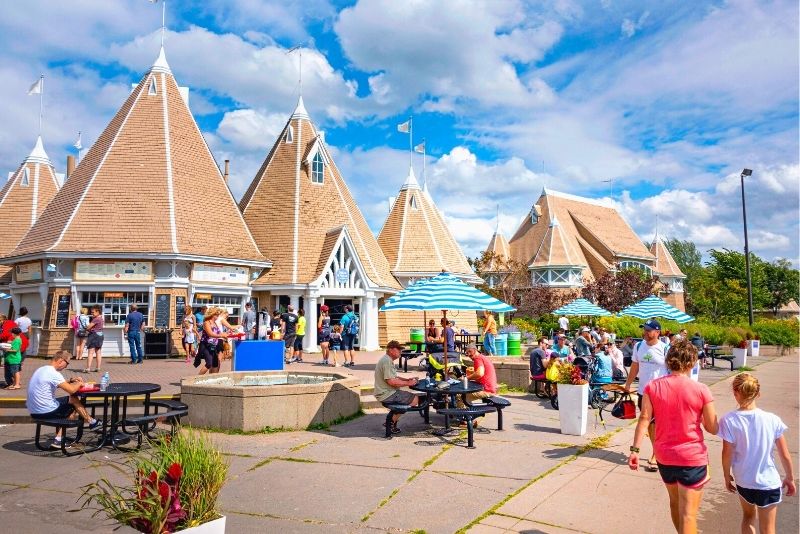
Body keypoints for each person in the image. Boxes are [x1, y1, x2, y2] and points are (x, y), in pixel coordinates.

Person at [628, 340, 718, 534]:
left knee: (675, 503)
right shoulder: (701, 390)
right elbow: (711, 427)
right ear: (692, 362)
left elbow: (644, 419)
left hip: (664, 456)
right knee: (688, 514)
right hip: (691, 457)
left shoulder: (652, 387)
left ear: (668, 361)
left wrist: (635, 450)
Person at [719, 373, 796, 534]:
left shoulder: (728, 420)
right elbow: (784, 454)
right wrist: (789, 477)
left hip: (744, 480)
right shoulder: (772, 419)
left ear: (735, 392)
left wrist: (727, 475)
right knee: (768, 528)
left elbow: (726, 453)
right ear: (758, 394)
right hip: (768, 482)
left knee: (748, 517)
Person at [28, 351, 101, 449]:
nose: (66, 366)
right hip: (46, 411)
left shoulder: (41, 370)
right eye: (67, 363)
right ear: (61, 361)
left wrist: (70, 381)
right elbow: (71, 390)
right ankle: (59, 439)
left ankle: (91, 421)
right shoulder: (54, 373)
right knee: (73, 404)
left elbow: (54, 384)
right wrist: (80, 383)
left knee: (71, 399)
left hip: (34, 411)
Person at [624, 319, 670, 471]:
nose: (645, 332)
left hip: (661, 393)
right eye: (644, 329)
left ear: (657, 332)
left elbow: (672, 370)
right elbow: (635, 367)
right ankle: (656, 451)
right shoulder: (638, 346)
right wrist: (628, 384)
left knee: (657, 424)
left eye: (649, 330)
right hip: (643, 392)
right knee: (649, 424)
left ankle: (656, 454)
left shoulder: (665, 348)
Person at [373, 340, 419, 434]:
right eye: (398, 349)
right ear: (390, 350)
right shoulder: (387, 362)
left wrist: (407, 380)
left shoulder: (387, 360)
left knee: (408, 400)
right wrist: (409, 384)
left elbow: (394, 377)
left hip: (386, 392)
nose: (400, 352)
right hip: (387, 393)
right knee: (415, 399)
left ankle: (391, 422)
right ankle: (390, 423)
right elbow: (391, 381)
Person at [460, 344, 498, 417]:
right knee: (467, 394)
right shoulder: (482, 357)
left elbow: (479, 373)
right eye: (467, 353)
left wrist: (466, 378)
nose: (469, 354)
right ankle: (470, 413)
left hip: (487, 390)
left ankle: (466, 419)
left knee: (460, 396)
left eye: (470, 351)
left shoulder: (478, 359)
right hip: (490, 388)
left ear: (475, 350)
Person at [196, 307, 229, 375]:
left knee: (215, 363)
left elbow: (219, 333)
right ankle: (197, 379)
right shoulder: (206, 322)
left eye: (218, 315)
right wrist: (222, 335)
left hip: (213, 345)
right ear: (212, 314)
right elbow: (210, 334)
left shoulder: (215, 323)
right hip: (205, 345)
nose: (217, 316)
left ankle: (211, 378)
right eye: (216, 315)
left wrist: (227, 335)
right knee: (209, 363)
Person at [84, 306, 104, 373]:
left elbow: (88, 327)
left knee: (90, 352)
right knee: (98, 352)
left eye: (93, 312)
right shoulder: (101, 318)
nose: (92, 313)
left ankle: (88, 368)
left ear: (98, 312)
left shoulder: (96, 319)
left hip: (94, 335)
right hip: (100, 335)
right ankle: (98, 367)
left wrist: (87, 327)